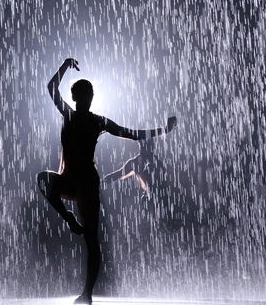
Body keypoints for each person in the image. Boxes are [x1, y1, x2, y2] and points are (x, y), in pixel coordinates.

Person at [37, 58, 175, 304]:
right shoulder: (70, 114)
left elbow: (130, 133)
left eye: (88, 95)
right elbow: (51, 89)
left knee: (92, 239)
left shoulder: (94, 121)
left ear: (89, 98)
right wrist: (65, 65)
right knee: (43, 179)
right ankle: (68, 217)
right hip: (72, 181)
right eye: (83, 95)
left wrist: (163, 131)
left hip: (87, 185)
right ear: (77, 97)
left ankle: (87, 293)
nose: (86, 99)